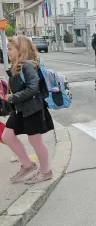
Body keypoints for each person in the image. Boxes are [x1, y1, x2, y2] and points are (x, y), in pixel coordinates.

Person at [2, 35, 54, 184]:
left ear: (21, 50)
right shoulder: (18, 66)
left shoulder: (28, 65)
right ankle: (28, 165)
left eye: (10, 49)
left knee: (35, 140)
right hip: (21, 108)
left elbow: (33, 88)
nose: (8, 52)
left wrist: (11, 98)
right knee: (7, 136)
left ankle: (46, 171)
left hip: (33, 108)